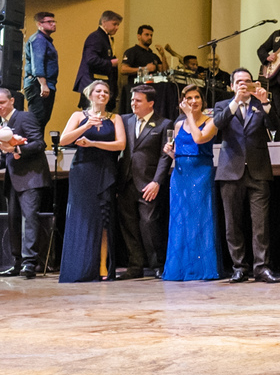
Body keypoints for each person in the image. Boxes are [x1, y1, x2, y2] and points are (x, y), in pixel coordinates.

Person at [213, 68, 280, 283]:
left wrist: (267, 104)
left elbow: (276, 128)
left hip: (258, 170)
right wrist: (236, 101)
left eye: (248, 81)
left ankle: (262, 268)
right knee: (233, 223)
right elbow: (217, 125)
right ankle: (239, 267)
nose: (244, 85)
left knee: (260, 224)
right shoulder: (223, 105)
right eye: (239, 82)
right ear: (232, 85)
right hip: (230, 170)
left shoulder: (260, 104)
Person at [58, 81, 126, 282]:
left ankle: (102, 265)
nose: (103, 94)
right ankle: (80, 265)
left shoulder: (115, 118)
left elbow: (121, 144)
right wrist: (87, 125)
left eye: (106, 91)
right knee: (82, 217)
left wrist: (94, 143)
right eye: (99, 91)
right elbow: (64, 140)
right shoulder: (78, 116)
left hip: (105, 170)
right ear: (90, 95)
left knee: (103, 220)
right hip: (82, 170)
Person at [0, 88, 50, 279]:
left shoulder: (25, 117)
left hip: (31, 177)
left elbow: (39, 144)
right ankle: (16, 263)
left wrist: (16, 147)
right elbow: (8, 157)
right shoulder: (2, 124)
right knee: (13, 221)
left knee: (29, 219)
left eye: (2, 102)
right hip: (13, 179)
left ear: (12, 101)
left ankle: (29, 263)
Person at [162, 85, 222, 281]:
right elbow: (180, 150)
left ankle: (202, 268)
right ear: (183, 101)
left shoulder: (211, 122)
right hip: (180, 175)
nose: (193, 101)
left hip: (201, 173)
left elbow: (198, 138)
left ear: (202, 102)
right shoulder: (178, 125)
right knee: (180, 220)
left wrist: (189, 115)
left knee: (200, 220)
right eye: (189, 98)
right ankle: (180, 268)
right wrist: (170, 152)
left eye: (197, 97)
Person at [118, 85, 173, 279]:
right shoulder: (124, 120)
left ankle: (157, 264)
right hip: (125, 181)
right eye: (133, 100)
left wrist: (157, 181)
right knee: (129, 225)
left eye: (138, 100)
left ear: (150, 103)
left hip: (148, 183)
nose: (133, 103)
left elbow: (165, 156)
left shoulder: (164, 124)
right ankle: (135, 266)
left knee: (149, 223)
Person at [74, 10, 121, 111]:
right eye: (114, 24)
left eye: (118, 25)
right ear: (104, 22)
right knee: (92, 115)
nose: (117, 27)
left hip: (99, 84)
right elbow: (91, 59)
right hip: (92, 84)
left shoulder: (105, 38)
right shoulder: (95, 37)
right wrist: (110, 63)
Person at [23, 11, 59, 129]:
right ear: (40, 24)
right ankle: (34, 146)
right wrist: (43, 84)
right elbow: (37, 63)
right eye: (49, 22)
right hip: (38, 85)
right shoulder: (38, 39)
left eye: (54, 21)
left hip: (44, 84)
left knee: (42, 119)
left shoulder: (45, 40)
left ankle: (37, 145)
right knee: (37, 120)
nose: (53, 24)